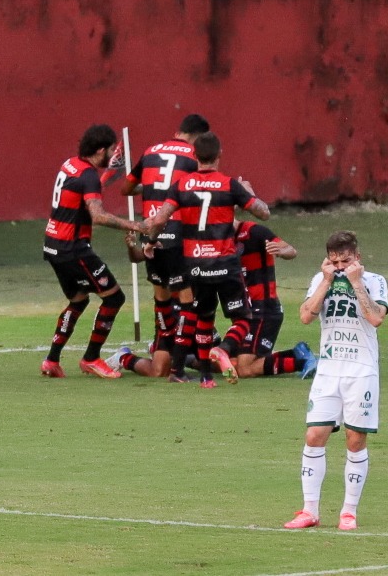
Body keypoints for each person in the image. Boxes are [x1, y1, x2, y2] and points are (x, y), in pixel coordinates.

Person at [145, 131, 270, 388]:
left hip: (195, 266)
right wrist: (250, 193)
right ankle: (223, 348)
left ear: (195, 155)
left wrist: (150, 240)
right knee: (244, 319)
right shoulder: (229, 184)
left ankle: (204, 377)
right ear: (219, 154)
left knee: (203, 318)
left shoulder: (181, 185)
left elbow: (159, 219)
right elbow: (263, 213)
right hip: (224, 264)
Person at [284, 230, 388, 531]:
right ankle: (309, 511)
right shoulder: (321, 280)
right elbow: (305, 316)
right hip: (329, 370)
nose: (341, 266)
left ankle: (348, 512)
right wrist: (328, 281)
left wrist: (355, 283)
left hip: (361, 370)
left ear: (358, 257)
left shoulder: (375, 281)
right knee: (315, 436)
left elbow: (376, 318)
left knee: (355, 440)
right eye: (335, 261)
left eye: (346, 260)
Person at [40, 124, 148, 380]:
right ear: (100, 150)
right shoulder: (88, 176)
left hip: (53, 244)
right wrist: (134, 224)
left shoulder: (71, 165)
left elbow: (82, 191)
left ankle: (51, 360)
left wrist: (106, 178)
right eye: (111, 150)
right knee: (114, 298)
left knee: (78, 301)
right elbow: (97, 216)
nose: (113, 155)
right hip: (74, 249)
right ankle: (91, 358)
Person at [115, 114, 210, 383]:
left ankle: (155, 356)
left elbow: (125, 188)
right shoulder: (195, 156)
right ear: (199, 137)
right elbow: (202, 192)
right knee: (188, 302)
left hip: (152, 235)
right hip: (179, 235)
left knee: (162, 298)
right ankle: (179, 370)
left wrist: (154, 189)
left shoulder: (150, 152)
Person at [232, 219, 317, 379]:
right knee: (233, 362)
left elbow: (290, 250)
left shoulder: (254, 231)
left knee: (244, 369)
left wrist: (280, 251)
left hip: (264, 309)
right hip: (243, 311)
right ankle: (298, 353)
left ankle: (302, 361)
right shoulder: (219, 237)